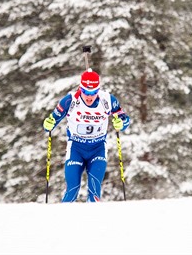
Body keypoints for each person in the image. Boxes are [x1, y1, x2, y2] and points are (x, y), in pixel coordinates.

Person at [42, 68, 130, 202]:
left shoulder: (108, 100)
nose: (89, 96)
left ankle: (93, 220)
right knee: (72, 189)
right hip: (76, 148)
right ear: (80, 88)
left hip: (98, 148)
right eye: (85, 92)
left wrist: (121, 124)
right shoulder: (69, 101)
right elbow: (52, 120)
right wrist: (48, 124)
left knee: (94, 189)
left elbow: (125, 119)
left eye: (93, 92)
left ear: (98, 90)